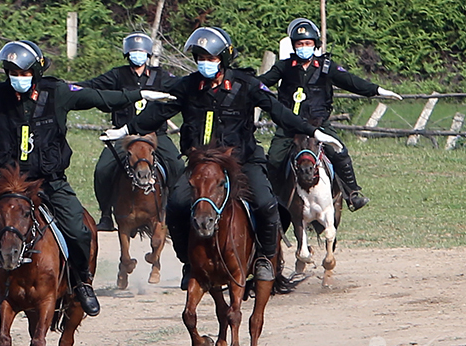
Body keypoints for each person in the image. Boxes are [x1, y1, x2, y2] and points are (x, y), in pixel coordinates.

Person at [0, 40, 175, 320]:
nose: (18, 79)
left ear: (35, 74)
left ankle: (82, 282)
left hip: (50, 181)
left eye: (24, 74)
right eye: (13, 74)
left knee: (78, 229)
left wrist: (140, 96)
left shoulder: (58, 92)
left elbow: (99, 98)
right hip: (12, 184)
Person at [102, 27, 343, 285]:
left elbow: (279, 111)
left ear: (224, 59)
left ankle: (264, 258)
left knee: (266, 204)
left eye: (211, 58)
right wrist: (125, 130)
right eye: (200, 59)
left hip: (242, 161)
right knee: (176, 206)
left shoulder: (246, 85)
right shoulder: (188, 86)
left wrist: (313, 131)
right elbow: (158, 113)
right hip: (201, 165)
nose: (205, 64)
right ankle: (188, 263)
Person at [259, 18, 402, 211]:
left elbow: (350, 81)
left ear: (315, 45)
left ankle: (352, 194)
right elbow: (262, 82)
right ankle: (272, 199)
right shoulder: (284, 67)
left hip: (319, 124)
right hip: (289, 127)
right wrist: (242, 85)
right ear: (294, 46)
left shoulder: (326, 66)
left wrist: (377, 90)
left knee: (339, 151)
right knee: (274, 158)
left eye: (308, 43)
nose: (304, 47)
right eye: (300, 44)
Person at [78, 32, 186, 231]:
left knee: (177, 165)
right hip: (123, 136)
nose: (138, 54)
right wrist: (70, 88)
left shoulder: (161, 75)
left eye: (142, 51)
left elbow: (182, 87)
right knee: (103, 169)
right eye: (134, 51)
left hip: (155, 134)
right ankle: (106, 215)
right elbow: (92, 86)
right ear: (127, 54)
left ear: (148, 54)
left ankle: (171, 212)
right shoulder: (116, 75)